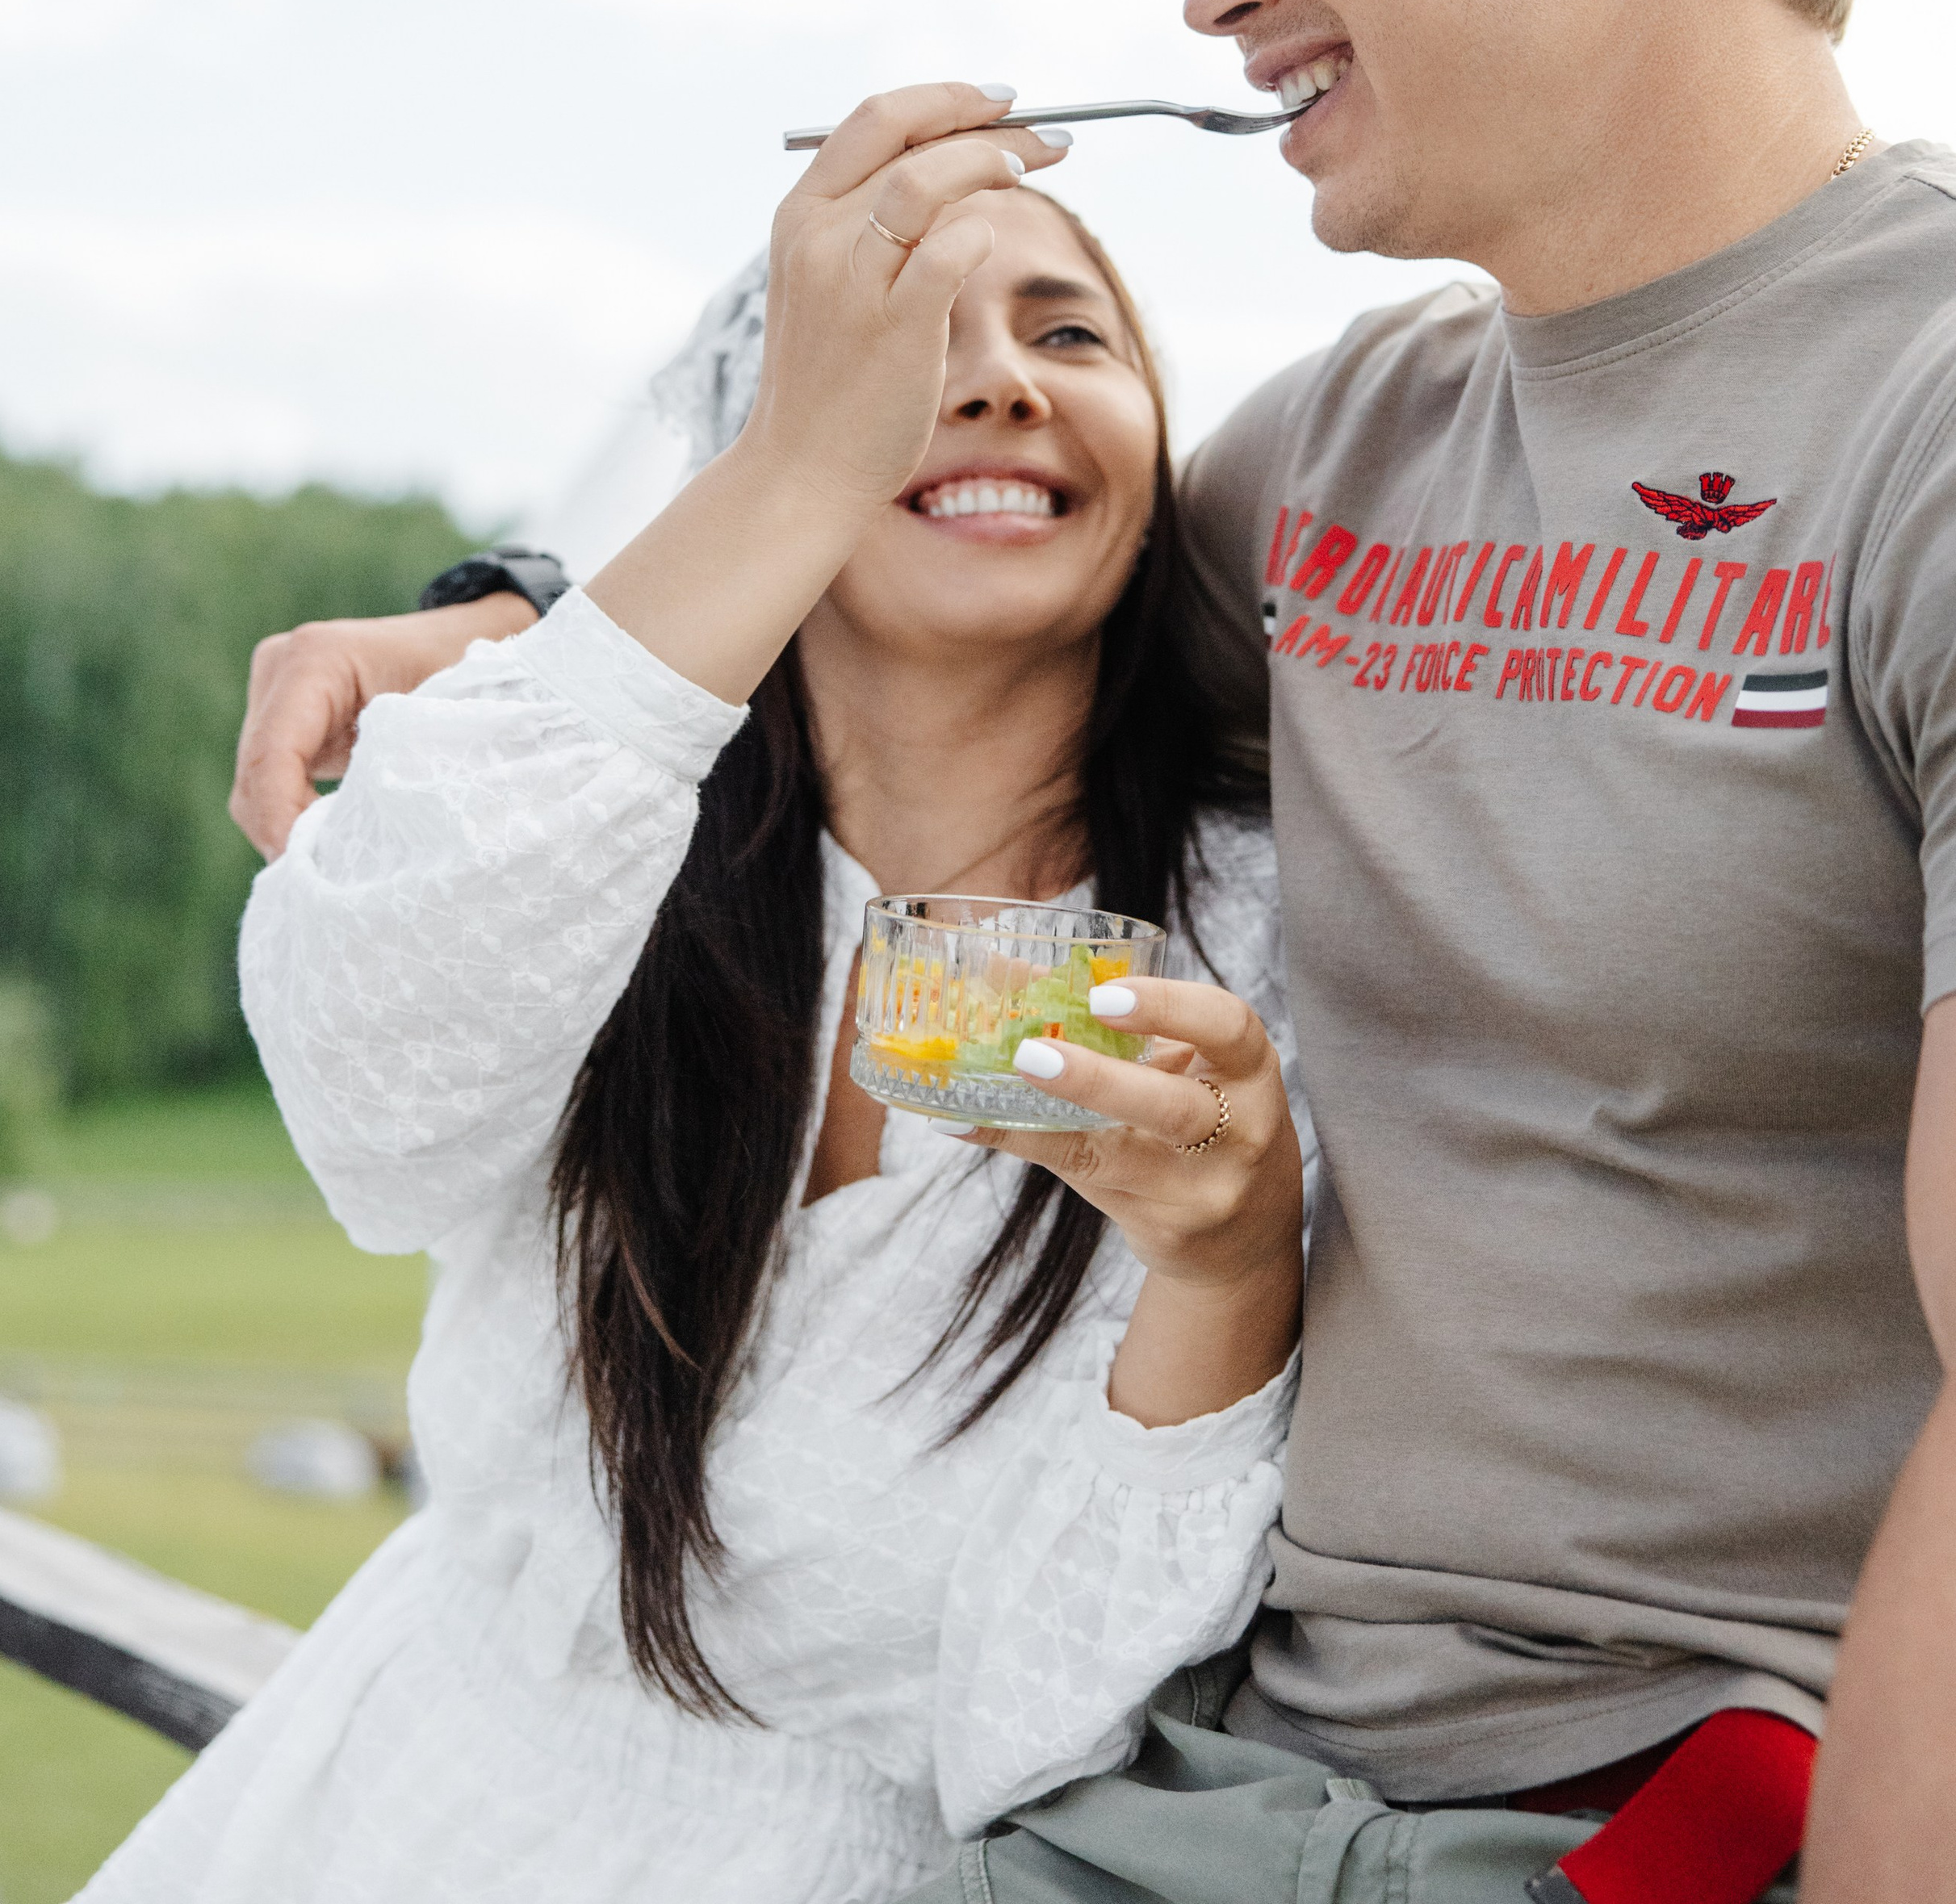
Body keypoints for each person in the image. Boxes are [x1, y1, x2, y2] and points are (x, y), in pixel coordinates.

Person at [210, 0, 1952, 1904]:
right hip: (1196, 1805)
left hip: (1665, 1823)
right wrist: (514, 615)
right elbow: (940, 583)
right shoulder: (1347, 451)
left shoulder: (1923, 422)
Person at [76, 174, 1315, 1904]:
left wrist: (1228, 1272)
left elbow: (1052, 1712)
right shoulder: (602, 855)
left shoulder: (1258, 958)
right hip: (380, 1812)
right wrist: (567, 601)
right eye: (889, 347)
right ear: (752, 464)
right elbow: (374, 1116)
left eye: (1066, 333)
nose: (995, 382)